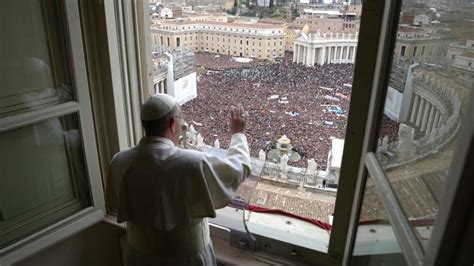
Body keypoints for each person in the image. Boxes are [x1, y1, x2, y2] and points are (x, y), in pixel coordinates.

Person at [106, 94, 251, 266]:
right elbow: (238, 168)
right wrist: (238, 134)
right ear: (173, 124)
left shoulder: (119, 161)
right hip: (186, 260)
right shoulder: (193, 163)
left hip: (136, 257)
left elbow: (115, 204)